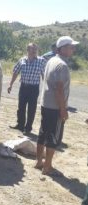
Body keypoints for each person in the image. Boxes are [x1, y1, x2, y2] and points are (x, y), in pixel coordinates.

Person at [35, 36, 79, 176]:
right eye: (71, 47)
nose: (73, 49)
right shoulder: (62, 65)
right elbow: (59, 90)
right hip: (54, 107)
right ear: (63, 48)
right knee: (53, 137)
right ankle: (47, 167)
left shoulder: (51, 61)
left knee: (43, 133)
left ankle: (39, 162)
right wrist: (63, 109)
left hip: (45, 104)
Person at [8, 43, 47, 134]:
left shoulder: (41, 61)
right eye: (32, 49)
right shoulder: (22, 60)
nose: (34, 51)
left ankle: (28, 128)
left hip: (34, 88)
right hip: (23, 87)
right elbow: (16, 72)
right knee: (21, 107)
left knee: (31, 109)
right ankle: (20, 125)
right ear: (27, 50)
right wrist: (10, 84)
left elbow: (44, 76)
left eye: (35, 49)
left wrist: (46, 88)